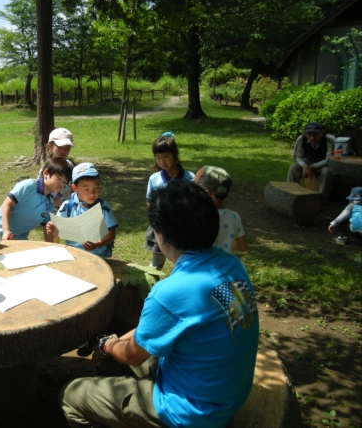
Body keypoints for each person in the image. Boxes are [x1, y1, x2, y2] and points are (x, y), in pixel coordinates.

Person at [60, 180, 259, 428]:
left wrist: (106, 343)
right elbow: (160, 327)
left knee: (72, 393)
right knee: (112, 361)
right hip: (226, 397)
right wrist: (113, 344)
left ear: (161, 234)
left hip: (190, 413)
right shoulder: (231, 265)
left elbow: (132, 355)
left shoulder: (172, 292)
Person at [46, 163, 118, 258]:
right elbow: (57, 231)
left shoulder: (103, 207)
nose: (92, 193)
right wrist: (52, 231)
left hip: (96, 254)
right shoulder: (68, 206)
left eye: (96, 188)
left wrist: (97, 244)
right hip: (72, 252)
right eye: (86, 189)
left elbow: (111, 233)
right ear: (75, 188)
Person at [145, 132, 195, 268]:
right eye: (158, 158)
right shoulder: (154, 179)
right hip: (161, 228)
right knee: (156, 263)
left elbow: (195, 203)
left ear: (175, 154)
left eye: (166, 156)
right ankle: (149, 287)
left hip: (182, 228)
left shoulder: (189, 177)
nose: (162, 162)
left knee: (183, 263)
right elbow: (149, 202)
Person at [0, 157, 73, 241]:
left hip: (19, 240)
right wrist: (6, 231)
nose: (61, 184)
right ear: (46, 173)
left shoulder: (50, 205)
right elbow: (7, 204)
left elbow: (46, 227)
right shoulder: (29, 186)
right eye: (59, 178)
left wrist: (50, 246)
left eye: (64, 182)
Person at [195, 165, 247, 254]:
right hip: (224, 266)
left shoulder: (197, 215)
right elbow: (243, 247)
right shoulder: (234, 216)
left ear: (206, 193)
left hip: (202, 266)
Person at [287, 122, 335, 200]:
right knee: (293, 168)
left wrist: (311, 167)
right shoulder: (301, 139)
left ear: (321, 133)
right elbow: (297, 157)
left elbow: (329, 159)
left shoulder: (329, 139)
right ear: (306, 134)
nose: (312, 138)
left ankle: (321, 199)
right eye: (309, 134)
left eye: (315, 134)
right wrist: (305, 166)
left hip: (323, 164)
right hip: (308, 161)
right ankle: (290, 194)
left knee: (327, 171)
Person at [37, 127, 75, 211]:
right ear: (50, 146)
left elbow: (74, 188)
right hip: (48, 212)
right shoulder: (46, 169)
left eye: (67, 147)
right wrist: (60, 204)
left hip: (67, 212)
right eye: (60, 146)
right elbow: (39, 194)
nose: (64, 150)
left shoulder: (71, 166)